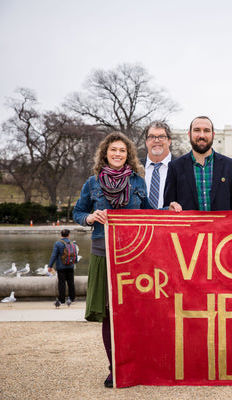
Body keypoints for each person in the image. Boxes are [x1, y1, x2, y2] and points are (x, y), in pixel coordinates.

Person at [73, 131, 152, 388]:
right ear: (105, 154)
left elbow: (149, 214)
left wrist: (170, 210)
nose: (117, 154)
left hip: (132, 254)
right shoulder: (92, 182)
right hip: (103, 252)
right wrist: (90, 217)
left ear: (128, 154)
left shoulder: (138, 182)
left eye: (122, 150)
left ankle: (135, 363)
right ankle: (114, 367)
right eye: (113, 150)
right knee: (109, 314)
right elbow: (78, 211)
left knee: (132, 313)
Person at [165, 116, 232, 211]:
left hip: (221, 225)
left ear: (213, 135)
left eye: (206, 131)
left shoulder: (231, 166)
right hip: (190, 225)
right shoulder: (175, 167)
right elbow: (168, 206)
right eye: (197, 130)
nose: (202, 135)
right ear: (189, 134)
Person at [141, 121, 176, 209]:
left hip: (172, 221)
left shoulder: (182, 167)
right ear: (146, 142)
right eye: (152, 137)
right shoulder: (134, 167)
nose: (156, 140)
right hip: (140, 221)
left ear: (169, 141)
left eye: (161, 137)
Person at [47, 229, 76, 308]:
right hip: (70, 266)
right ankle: (72, 299)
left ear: (61, 235)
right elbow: (75, 255)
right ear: (68, 235)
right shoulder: (72, 243)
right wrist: (74, 263)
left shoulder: (58, 243)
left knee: (61, 283)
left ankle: (62, 301)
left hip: (61, 267)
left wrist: (50, 266)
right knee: (71, 283)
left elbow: (54, 255)